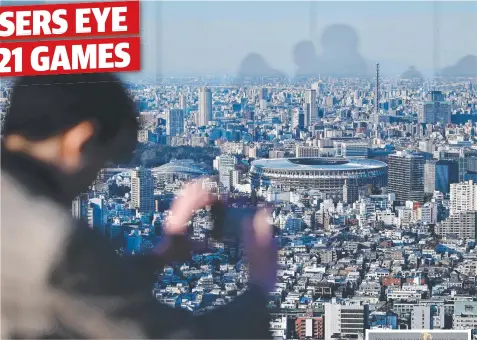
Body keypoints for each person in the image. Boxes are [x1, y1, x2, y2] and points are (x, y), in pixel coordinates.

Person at [1, 73, 277, 339]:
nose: (95, 180)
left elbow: (77, 295)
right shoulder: (54, 238)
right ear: (79, 141)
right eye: (104, 161)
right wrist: (260, 285)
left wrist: (163, 254)